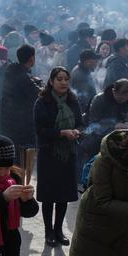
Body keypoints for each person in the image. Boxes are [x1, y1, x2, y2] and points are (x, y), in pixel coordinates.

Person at [34, 67, 84, 246]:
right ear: (51, 81)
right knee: (49, 195)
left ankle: (58, 230)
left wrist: (77, 131)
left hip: (68, 154)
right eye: (59, 79)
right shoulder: (42, 102)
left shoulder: (73, 101)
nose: (63, 82)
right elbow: (40, 130)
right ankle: (48, 231)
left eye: (66, 79)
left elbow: (81, 123)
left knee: (63, 194)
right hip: (49, 153)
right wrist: (62, 133)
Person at [0, 44, 39, 164]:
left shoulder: (12, 71)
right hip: (21, 125)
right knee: (21, 159)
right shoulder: (23, 77)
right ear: (32, 59)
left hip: (9, 121)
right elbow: (37, 93)